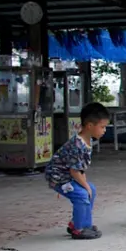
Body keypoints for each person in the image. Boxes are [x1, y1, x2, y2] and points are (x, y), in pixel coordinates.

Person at [45, 103, 110, 240]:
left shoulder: (87, 142)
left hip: (69, 176)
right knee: (82, 194)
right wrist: (85, 186)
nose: (104, 130)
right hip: (59, 178)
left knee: (90, 190)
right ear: (90, 126)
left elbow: (80, 168)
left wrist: (87, 186)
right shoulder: (77, 145)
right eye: (102, 127)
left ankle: (83, 223)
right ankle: (78, 229)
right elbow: (75, 171)